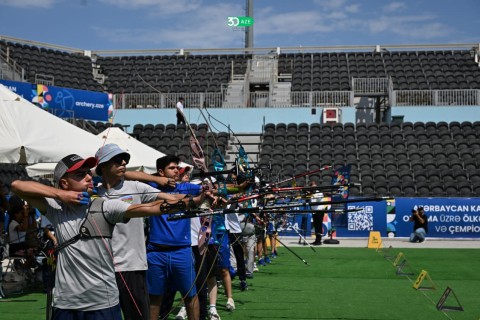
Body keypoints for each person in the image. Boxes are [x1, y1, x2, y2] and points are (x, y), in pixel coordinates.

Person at [10, 154, 197, 319]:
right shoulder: (56, 209)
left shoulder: (105, 205)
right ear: (64, 183)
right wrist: (61, 195)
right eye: (80, 175)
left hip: (102, 303)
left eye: (88, 173)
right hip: (66, 303)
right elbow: (17, 185)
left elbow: (149, 208)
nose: (88, 177)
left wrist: (187, 203)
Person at [94, 143, 185, 320]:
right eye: (116, 160)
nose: (123, 162)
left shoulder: (135, 187)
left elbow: (172, 198)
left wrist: (199, 199)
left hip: (131, 266)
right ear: (103, 166)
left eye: (124, 160)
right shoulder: (93, 192)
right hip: (101, 269)